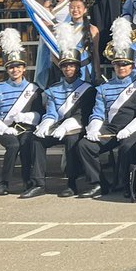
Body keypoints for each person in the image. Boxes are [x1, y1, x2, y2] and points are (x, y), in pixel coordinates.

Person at [80, 19, 136, 198]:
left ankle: (127, 184)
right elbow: (98, 111)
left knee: (127, 145)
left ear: (132, 66)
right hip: (110, 128)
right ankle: (98, 183)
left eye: (126, 64)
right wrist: (95, 127)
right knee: (85, 145)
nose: (122, 67)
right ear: (113, 66)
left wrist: (129, 129)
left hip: (133, 128)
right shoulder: (104, 87)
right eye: (118, 64)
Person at [34, 24, 99, 198]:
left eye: (71, 65)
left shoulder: (88, 89)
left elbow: (82, 116)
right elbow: (52, 111)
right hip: (58, 125)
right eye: (65, 66)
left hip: (77, 127)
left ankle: (72, 183)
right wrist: (47, 122)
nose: (68, 69)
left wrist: (67, 125)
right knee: (37, 140)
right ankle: (38, 183)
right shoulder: (54, 89)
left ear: (77, 68)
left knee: (72, 140)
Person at [0, 29, 44, 198]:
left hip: (26, 128)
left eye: (18, 66)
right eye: (11, 67)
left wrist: (27, 117)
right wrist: (4, 129)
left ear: (24, 68)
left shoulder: (33, 89)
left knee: (26, 142)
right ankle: (4, 182)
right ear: (7, 70)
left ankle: (27, 180)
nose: (14, 70)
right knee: (13, 144)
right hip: (5, 129)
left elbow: (39, 113)